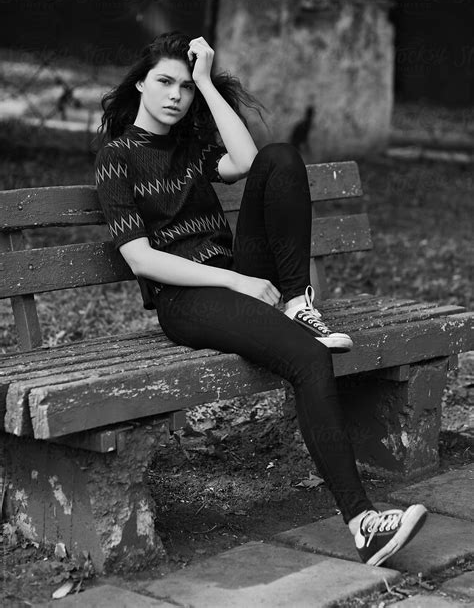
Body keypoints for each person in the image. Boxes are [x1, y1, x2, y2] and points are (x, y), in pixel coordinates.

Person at [94, 31, 427, 567]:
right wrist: (235, 282)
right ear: (139, 85)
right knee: (310, 357)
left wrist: (207, 81)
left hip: (238, 275)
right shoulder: (117, 158)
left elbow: (247, 159)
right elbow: (140, 259)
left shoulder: (190, 148)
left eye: (185, 86)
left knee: (279, 156)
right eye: (165, 82)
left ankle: (297, 300)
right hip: (188, 298)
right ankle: (363, 522)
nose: (176, 95)